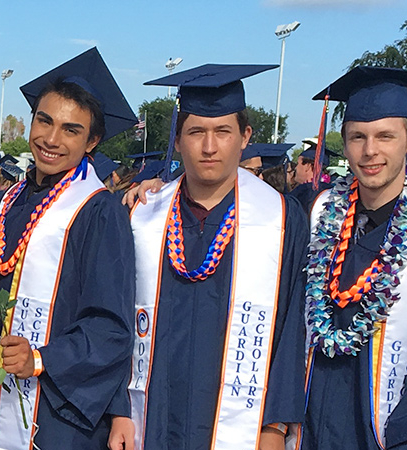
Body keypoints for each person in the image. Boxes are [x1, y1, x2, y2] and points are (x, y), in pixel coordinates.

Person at [114, 64, 306, 450]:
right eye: (196, 131)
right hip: (151, 421)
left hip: (244, 426)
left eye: (223, 132)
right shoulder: (142, 215)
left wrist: (275, 428)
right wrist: (119, 409)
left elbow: (292, 330)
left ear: (245, 136)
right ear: (179, 137)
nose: (209, 146)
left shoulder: (282, 219)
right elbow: (115, 321)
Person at [296, 67, 407, 450]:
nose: (370, 150)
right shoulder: (314, 215)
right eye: (357, 137)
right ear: (344, 145)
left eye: (385, 136)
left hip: (384, 436)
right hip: (305, 430)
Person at [0, 48, 137, 450]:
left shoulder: (99, 211)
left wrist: (42, 359)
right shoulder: (1, 204)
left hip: (58, 406)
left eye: (71, 130)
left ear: (92, 141)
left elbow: (109, 325)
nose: (50, 139)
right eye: (44, 121)